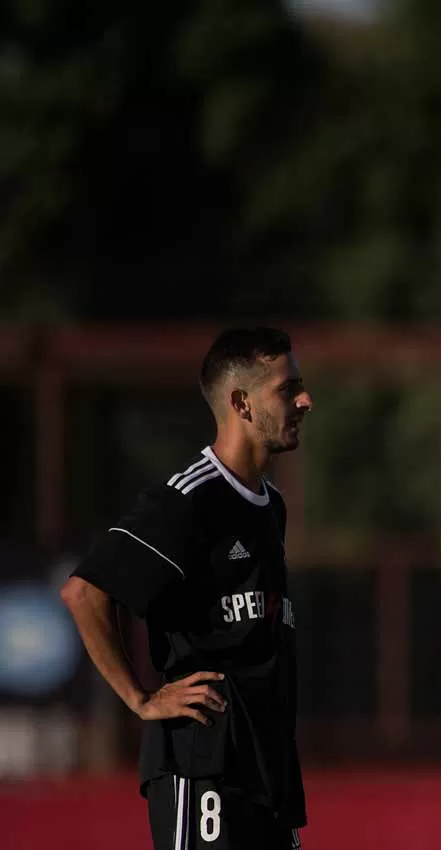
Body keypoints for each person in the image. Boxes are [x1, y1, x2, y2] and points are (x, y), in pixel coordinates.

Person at [60, 327, 314, 850]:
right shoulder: (188, 498)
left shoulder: (272, 504)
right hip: (205, 765)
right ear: (241, 403)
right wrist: (140, 698)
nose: (305, 401)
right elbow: (84, 593)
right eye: (288, 389)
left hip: (267, 770)